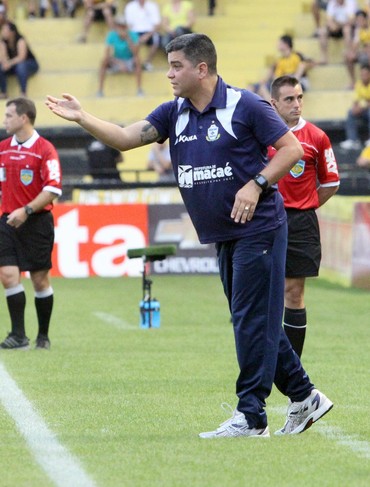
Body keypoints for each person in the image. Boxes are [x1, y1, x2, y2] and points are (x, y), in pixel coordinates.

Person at [46, 33, 333, 438]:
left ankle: (251, 417)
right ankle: (305, 396)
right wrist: (83, 118)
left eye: (176, 66)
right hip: (224, 232)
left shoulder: (244, 104)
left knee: (250, 322)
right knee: (251, 319)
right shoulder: (173, 112)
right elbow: (127, 138)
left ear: (202, 68)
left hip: (261, 228)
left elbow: (290, 150)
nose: (168, 74)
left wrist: (256, 184)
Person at [269, 76, 340, 358]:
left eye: (299, 98)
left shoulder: (317, 137)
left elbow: (331, 182)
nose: (297, 104)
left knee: (294, 292)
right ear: (274, 103)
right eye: (289, 99)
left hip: (300, 221)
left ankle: (292, 370)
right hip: (265, 220)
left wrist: (306, 204)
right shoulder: (260, 135)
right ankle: (263, 360)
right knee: (264, 293)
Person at [0, 98, 62, 350]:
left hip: (36, 222)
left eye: (8, 115)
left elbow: (53, 188)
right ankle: (18, 335)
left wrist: (25, 210)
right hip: (7, 221)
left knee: (39, 280)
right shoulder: (2, 148)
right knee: (7, 275)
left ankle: (43, 336)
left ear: (23, 117)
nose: (5, 120)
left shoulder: (45, 149)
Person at [247, 35, 314, 102]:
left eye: (280, 43)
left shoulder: (297, 55)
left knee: (264, 89)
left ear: (286, 44)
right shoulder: (280, 60)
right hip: (283, 82)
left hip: (297, 82)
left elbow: (309, 63)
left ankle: (270, 108)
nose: (277, 45)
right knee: (252, 87)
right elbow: (277, 77)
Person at [97, 14, 143, 97]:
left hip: (129, 60)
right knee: (104, 61)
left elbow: (135, 53)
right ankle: (100, 90)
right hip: (117, 60)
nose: (121, 28)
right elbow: (107, 54)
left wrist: (128, 38)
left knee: (137, 60)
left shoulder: (132, 35)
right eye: (119, 26)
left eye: (123, 26)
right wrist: (119, 63)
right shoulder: (112, 35)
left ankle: (139, 89)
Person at [0, 21, 39, 98]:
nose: (3, 32)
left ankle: (23, 92)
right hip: (15, 65)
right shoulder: (3, 42)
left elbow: (21, 57)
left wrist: (9, 63)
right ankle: (4, 92)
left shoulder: (20, 40)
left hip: (29, 64)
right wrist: (5, 63)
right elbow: (2, 57)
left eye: (5, 30)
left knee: (21, 66)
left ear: (12, 32)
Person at [124, 0, 161, 71]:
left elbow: (157, 24)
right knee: (130, 39)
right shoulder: (130, 6)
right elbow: (128, 25)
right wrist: (136, 37)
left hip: (149, 31)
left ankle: (147, 62)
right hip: (134, 32)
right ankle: (134, 62)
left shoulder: (152, 6)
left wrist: (147, 35)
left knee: (156, 39)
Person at [340, 63, 370, 150]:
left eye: (365, 74)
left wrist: (362, 106)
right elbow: (356, 100)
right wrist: (355, 108)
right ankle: (352, 140)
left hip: (367, 109)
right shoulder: (358, 84)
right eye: (362, 74)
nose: (363, 76)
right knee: (350, 112)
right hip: (363, 109)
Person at [318, 0, 358, 65]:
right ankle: (324, 58)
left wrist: (338, 25)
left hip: (348, 27)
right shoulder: (332, 3)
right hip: (337, 27)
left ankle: (348, 55)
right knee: (322, 31)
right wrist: (332, 25)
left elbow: (351, 20)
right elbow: (329, 19)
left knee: (346, 29)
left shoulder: (351, 2)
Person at [345, 9, 370, 88]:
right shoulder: (358, 30)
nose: (360, 21)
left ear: (366, 20)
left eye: (362, 19)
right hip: (363, 53)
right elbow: (354, 47)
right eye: (358, 20)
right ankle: (353, 81)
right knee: (348, 56)